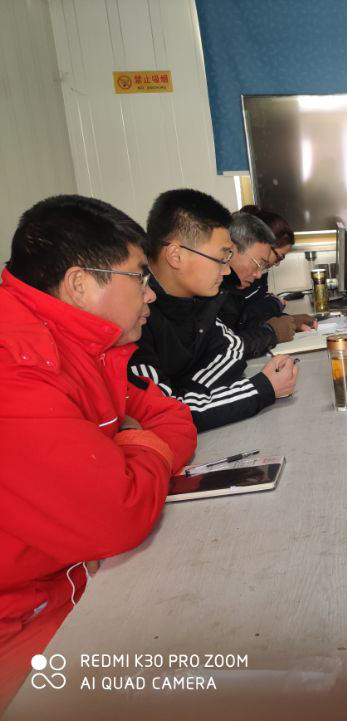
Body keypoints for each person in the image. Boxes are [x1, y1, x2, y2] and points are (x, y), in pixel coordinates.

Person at [0, 195, 197, 709]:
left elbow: (174, 416)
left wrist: (128, 455)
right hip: (19, 622)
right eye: (139, 277)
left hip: (71, 581)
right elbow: (119, 515)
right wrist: (136, 444)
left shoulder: (84, 347)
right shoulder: (17, 368)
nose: (150, 294)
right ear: (80, 284)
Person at [129, 189, 299, 432]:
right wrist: (261, 388)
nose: (227, 270)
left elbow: (232, 348)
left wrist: (193, 396)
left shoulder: (199, 300)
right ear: (176, 255)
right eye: (221, 258)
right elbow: (165, 412)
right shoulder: (133, 319)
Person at [219, 212, 315, 359]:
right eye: (278, 257)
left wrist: (286, 321)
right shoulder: (217, 290)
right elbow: (224, 348)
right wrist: (272, 331)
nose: (259, 274)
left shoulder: (236, 283)